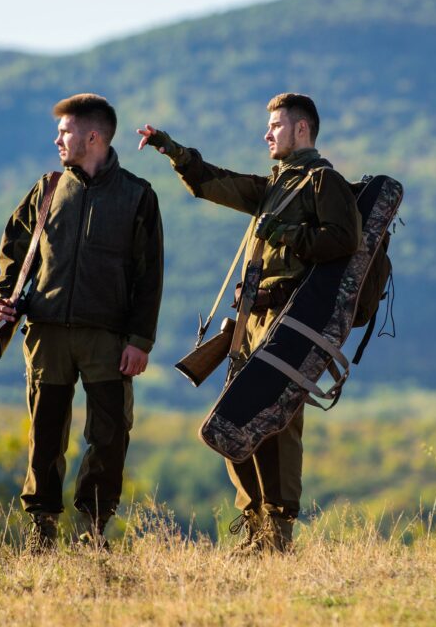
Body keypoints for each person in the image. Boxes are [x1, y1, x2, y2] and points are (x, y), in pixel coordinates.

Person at [137, 93, 360, 554]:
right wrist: (172, 150)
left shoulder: (324, 182)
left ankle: (277, 533)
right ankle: (254, 522)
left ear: (302, 130)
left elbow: (344, 240)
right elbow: (216, 183)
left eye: (275, 125)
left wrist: (292, 235)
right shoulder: (277, 185)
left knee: (276, 425)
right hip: (253, 324)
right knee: (234, 420)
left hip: (291, 322)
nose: (267, 134)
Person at [0, 93, 164, 552]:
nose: (57, 139)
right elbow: (13, 252)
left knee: (109, 439)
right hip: (45, 334)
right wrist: (1, 299)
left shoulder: (138, 196)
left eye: (65, 132)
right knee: (45, 436)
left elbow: (150, 276)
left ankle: (93, 531)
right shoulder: (47, 189)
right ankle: (41, 531)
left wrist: (140, 340)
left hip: (109, 340)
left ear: (92, 136)